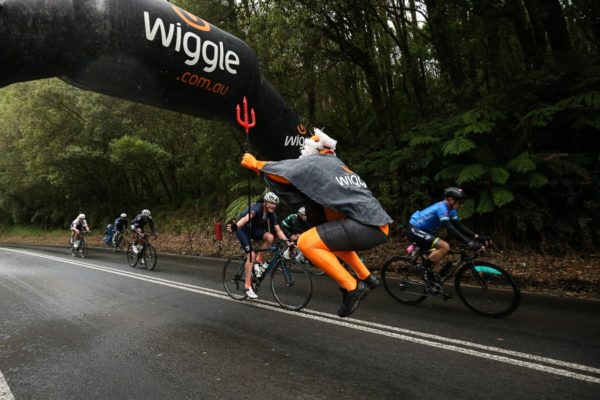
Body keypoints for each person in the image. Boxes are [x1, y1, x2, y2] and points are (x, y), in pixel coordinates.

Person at [240, 128, 392, 317]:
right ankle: (366, 277)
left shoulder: (317, 161)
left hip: (365, 225)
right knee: (329, 243)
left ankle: (353, 288)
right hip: (377, 225)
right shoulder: (338, 165)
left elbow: (289, 172)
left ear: (315, 148)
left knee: (306, 242)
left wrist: (256, 164)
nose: (303, 151)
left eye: (307, 146)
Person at [407, 187, 492, 286]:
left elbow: (458, 226)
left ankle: (432, 283)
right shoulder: (442, 208)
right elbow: (451, 229)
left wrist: (477, 237)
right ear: (451, 200)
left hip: (426, 231)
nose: (462, 205)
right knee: (445, 246)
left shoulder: (451, 209)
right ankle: (423, 268)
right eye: (460, 202)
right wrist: (469, 243)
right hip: (415, 229)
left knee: (438, 266)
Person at [227, 192, 293, 299]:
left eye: (275, 204)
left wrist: (287, 242)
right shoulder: (257, 208)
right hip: (242, 229)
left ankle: (258, 260)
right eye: (271, 203)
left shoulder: (272, 214)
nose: (273, 206)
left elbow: (278, 230)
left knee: (270, 237)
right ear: (265, 202)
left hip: (253, 230)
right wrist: (235, 226)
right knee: (251, 255)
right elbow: (246, 218)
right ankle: (248, 286)